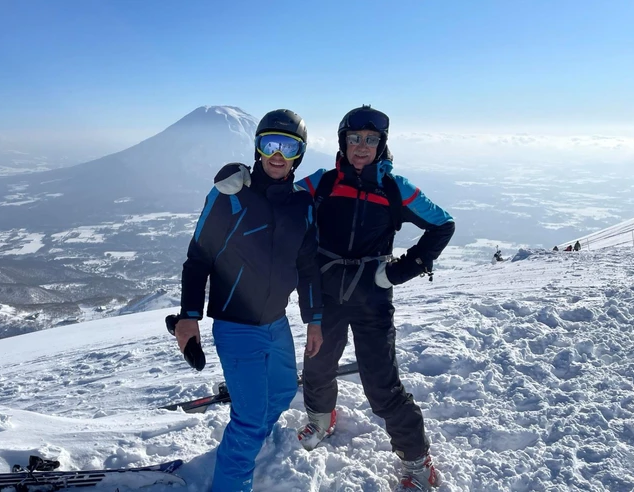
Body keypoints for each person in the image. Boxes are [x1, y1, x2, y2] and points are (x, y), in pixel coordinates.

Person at [296, 105, 455, 491]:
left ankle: (417, 462)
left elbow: (443, 224)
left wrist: (402, 270)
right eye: (354, 138)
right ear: (343, 142)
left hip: (372, 299)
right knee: (317, 365)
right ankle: (321, 418)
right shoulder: (324, 182)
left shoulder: (394, 188)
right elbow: (281, 200)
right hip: (327, 294)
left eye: (371, 139)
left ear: (382, 144)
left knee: (382, 385)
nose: (362, 146)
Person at [175, 109, 324, 492]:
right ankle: (236, 468)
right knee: (249, 418)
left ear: (299, 153)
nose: (277, 154)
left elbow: (308, 266)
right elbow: (199, 257)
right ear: (257, 147)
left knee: (283, 391)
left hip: (277, 323)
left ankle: (247, 443)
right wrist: (189, 316)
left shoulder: (302, 204)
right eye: (269, 143)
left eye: (288, 146)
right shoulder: (230, 193)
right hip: (236, 326)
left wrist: (314, 319)